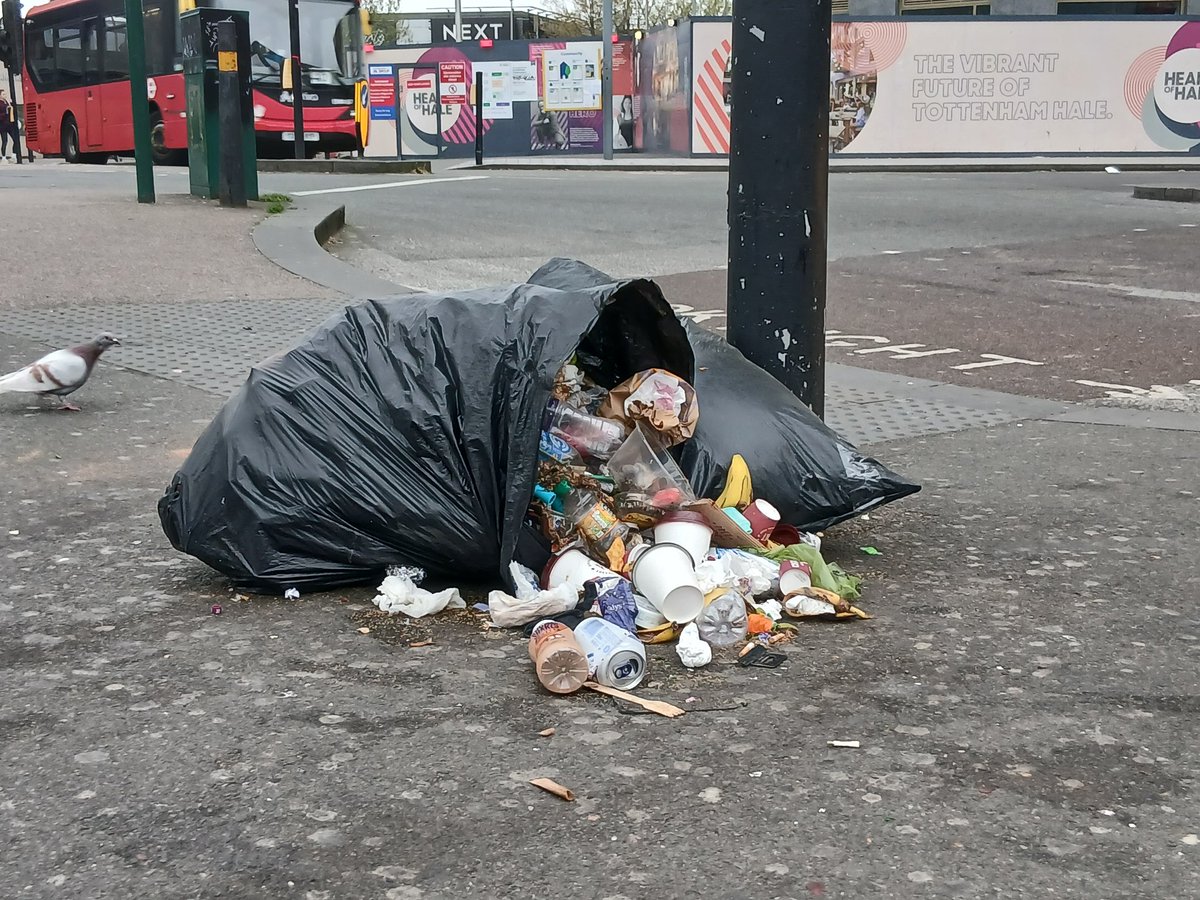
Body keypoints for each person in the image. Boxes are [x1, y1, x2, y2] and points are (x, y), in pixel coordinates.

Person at [0, 89, 17, 162]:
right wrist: (5, 113)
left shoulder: (7, 102)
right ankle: (3, 157)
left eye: (5, 94)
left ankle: (14, 155)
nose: (5, 95)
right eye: (3, 94)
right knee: (5, 141)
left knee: (15, 139)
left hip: (9, 124)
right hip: (2, 125)